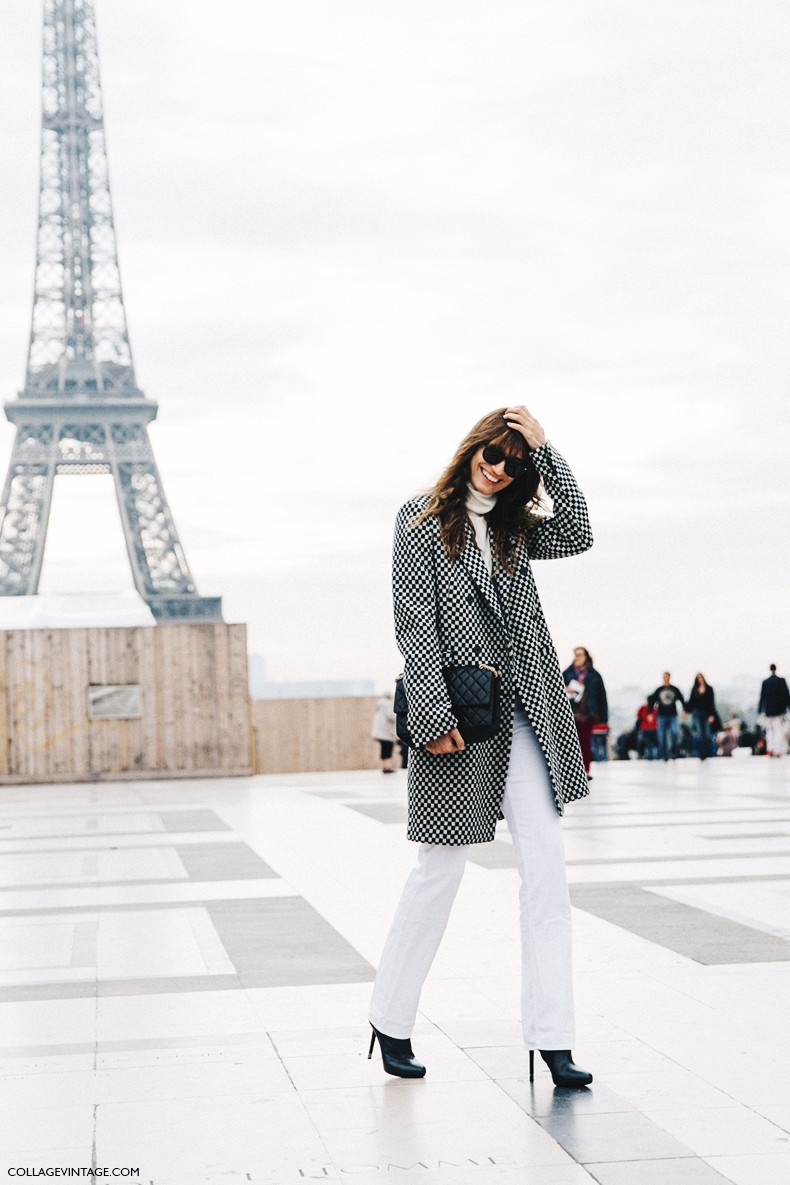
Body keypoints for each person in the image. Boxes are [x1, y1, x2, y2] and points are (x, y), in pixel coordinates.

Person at [368, 405, 593, 1089]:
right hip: (461, 715)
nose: (499, 469)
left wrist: (548, 449)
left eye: (514, 462)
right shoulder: (420, 518)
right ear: (473, 447)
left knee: (547, 870)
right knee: (440, 869)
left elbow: (579, 530)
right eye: (494, 454)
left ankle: (552, 1038)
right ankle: (390, 1016)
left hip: (527, 709)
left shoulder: (516, 528)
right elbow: (414, 621)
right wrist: (431, 713)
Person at [563, 647, 608, 779]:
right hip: (571, 712)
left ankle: (585, 770)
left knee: (585, 742)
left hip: (588, 714)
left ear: (586, 657)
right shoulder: (567, 673)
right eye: (575, 655)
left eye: (580, 655)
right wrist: (566, 689)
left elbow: (601, 696)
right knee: (570, 743)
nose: (577, 657)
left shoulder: (594, 675)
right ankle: (572, 771)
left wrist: (603, 717)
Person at [648, 672, 685, 761]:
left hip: (673, 715)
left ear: (669, 677)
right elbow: (652, 701)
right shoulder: (659, 690)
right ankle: (663, 754)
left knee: (674, 733)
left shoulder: (674, 689)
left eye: (667, 677)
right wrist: (650, 713)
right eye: (664, 677)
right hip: (661, 715)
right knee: (662, 736)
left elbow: (682, 699)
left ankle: (674, 752)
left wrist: (685, 710)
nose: (666, 678)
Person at [758, 664, 790, 758]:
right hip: (778, 711)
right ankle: (777, 750)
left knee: (770, 731)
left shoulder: (765, 682)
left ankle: (770, 749)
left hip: (768, 711)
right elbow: (786, 695)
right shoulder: (781, 681)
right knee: (778, 731)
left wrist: (760, 710)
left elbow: (762, 697)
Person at [685, 673, 719, 761]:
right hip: (697, 713)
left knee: (707, 734)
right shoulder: (694, 689)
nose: (700, 679)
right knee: (699, 734)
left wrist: (712, 715)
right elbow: (691, 702)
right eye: (698, 678)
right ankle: (701, 754)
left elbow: (711, 703)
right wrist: (686, 711)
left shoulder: (709, 689)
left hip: (706, 713)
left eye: (701, 677)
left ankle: (709, 752)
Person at [371, 691, 399, 774]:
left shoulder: (380, 704)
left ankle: (384, 766)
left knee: (384, 749)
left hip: (380, 732)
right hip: (386, 732)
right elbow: (391, 715)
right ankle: (388, 767)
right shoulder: (387, 704)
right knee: (388, 748)